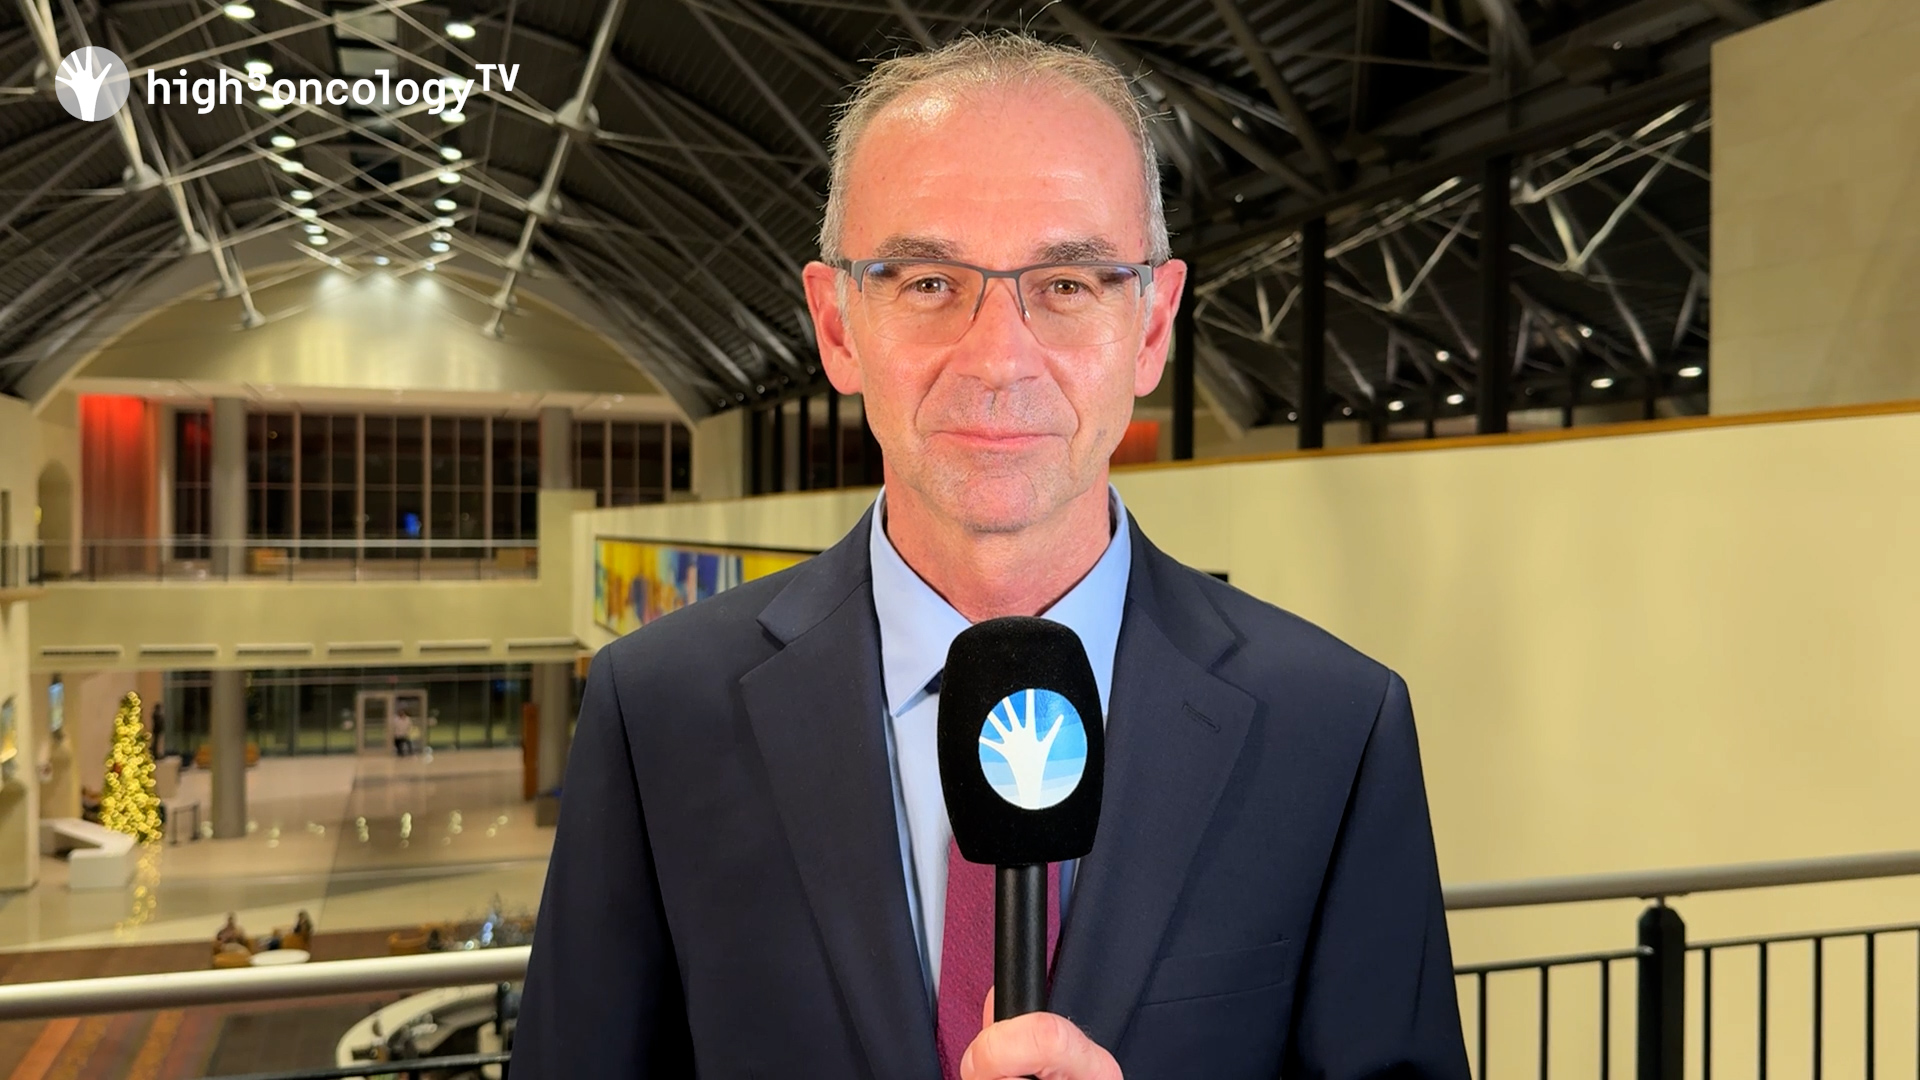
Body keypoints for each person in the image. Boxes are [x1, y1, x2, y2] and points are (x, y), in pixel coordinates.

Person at [517, 33, 1467, 1080]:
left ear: (1152, 326)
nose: (999, 357)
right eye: (929, 281)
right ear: (838, 326)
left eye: (1068, 283)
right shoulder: (658, 713)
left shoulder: (1334, 728)